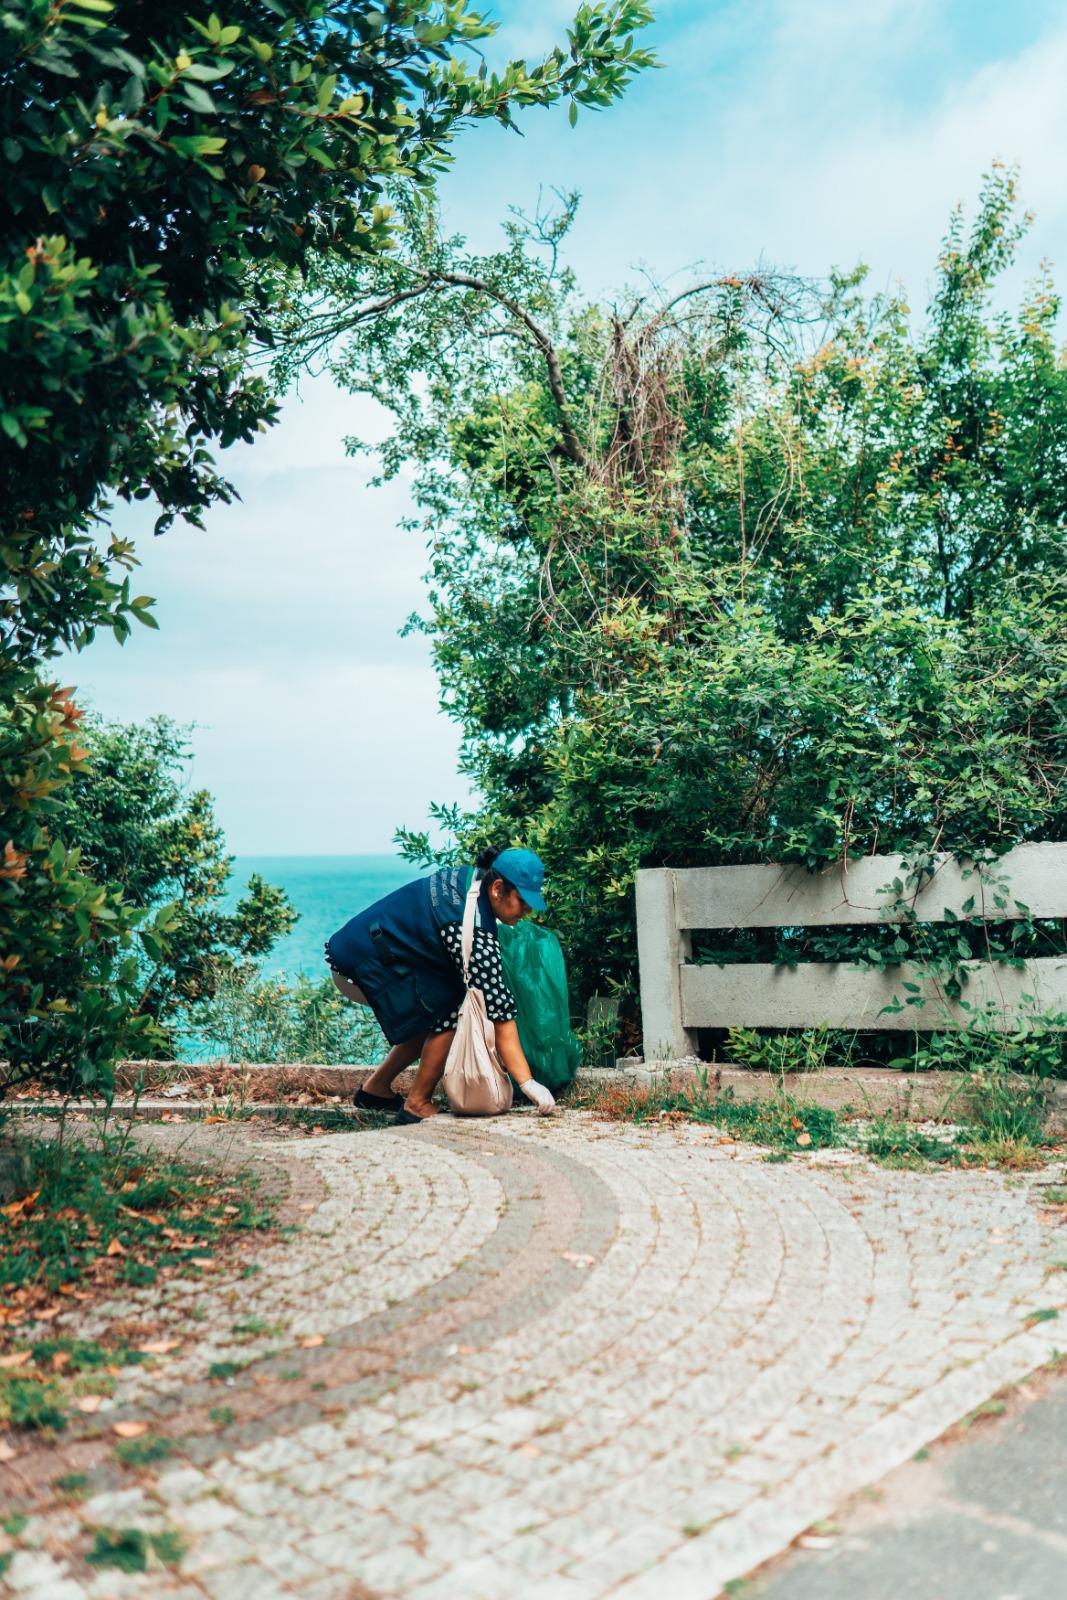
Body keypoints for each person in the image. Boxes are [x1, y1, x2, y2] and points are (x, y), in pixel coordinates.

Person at [325, 847, 557, 1123]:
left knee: (438, 1004)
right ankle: (417, 1104)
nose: (527, 911)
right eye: (523, 901)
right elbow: (499, 1009)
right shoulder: (471, 924)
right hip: (364, 966)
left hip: (355, 949)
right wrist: (528, 1083)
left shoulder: (472, 880)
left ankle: (375, 1090)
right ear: (498, 889)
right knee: (448, 1008)